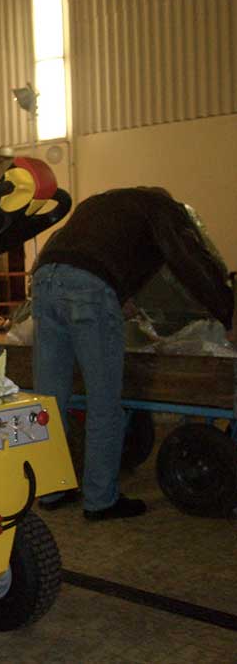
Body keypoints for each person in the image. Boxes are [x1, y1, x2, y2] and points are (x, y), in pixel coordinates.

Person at [31, 187, 233, 521]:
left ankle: (52, 489)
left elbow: (85, 252)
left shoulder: (100, 204)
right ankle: (101, 501)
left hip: (44, 281)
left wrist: (118, 294)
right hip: (89, 291)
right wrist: (227, 312)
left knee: (49, 401)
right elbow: (188, 260)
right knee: (104, 402)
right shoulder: (162, 208)